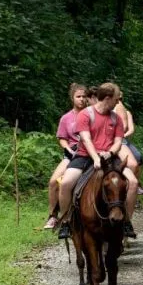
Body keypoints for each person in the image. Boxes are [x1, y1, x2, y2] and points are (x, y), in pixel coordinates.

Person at [57, 82, 139, 239]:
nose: (118, 102)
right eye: (116, 98)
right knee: (66, 183)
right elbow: (86, 139)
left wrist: (109, 153)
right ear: (107, 98)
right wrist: (95, 158)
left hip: (109, 157)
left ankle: (126, 221)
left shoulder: (116, 118)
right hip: (85, 155)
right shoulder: (86, 114)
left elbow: (118, 141)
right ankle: (66, 221)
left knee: (133, 183)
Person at [43, 83, 88, 230]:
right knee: (53, 182)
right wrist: (67, 149)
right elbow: (62, 137)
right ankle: (53, 215)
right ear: (72, 98)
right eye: (78, 96)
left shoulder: (92, 114)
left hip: (89, 151)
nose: (81, 99)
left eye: (84, 96)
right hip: (71, 152)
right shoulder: (66, 118)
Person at [114, 91, 143, 196]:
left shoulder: (127, 113)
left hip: (123, 139)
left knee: (138, 156)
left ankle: (136, 182)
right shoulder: (108, 110)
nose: (119, 101)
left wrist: (123, 135)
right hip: (114, 139)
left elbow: (130, 129)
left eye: (121, 99)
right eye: (118, 99)